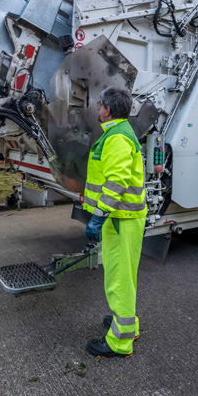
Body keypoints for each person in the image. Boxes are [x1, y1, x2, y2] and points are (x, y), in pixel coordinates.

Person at [82, 86, 147, 358]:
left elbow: (116, 182)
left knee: (118, 280)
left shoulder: (116, 138)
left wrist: (97, 217)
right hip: (122, 218)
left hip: (119, 218)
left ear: (107, 110)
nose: (97, 109)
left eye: (99, 105)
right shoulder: (119, 133)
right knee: (124, 276)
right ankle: (126, 325)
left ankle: (120, 343)